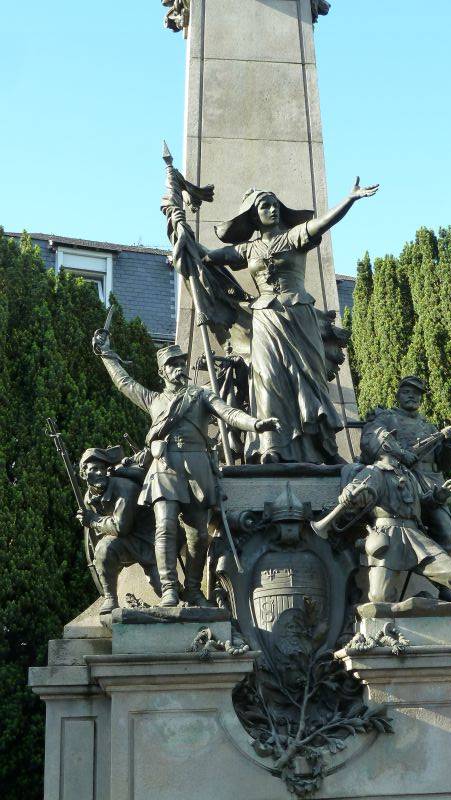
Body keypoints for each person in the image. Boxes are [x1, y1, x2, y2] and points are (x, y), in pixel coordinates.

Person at [200, 177, 378, 464]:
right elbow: (207, 258)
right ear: (254, 216)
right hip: (266, 318)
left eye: (274, 205)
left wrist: (350, 199)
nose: (272, 210)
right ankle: (271, 445)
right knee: (268, 378)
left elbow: (323, 223)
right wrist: (181, 234)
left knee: (309, 378)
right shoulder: (248, 250)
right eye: (265, 206)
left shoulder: (294, 236)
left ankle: (320, 447)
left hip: (298, 315)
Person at [92, 335, 279, 607]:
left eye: (181, 362)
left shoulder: (201, 395)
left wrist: (255, 425)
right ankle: (169, 588)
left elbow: (228, 414)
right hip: (165, 467)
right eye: (171, 364)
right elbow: (124, 383)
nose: (178, 367)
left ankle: (192, 589)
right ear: (161, 371)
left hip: (197, 467)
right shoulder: (153, 399)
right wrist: (107, 354)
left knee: (199, 535)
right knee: (165, 527)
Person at [339, 430, 451, 639]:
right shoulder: (374, 473)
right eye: (392, 438)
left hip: (416, 536)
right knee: (379, 599)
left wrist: (437, 497)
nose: (398, 441)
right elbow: (357, 496)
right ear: (384, 446)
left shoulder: (407, 473)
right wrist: (349, 494)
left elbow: (420, 503)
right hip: (389, 539)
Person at [361, 376, 451, 596]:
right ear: (397, 394)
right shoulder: (386, 418)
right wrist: (401, 455)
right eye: (407, 392)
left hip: (431, 484)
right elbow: (372, 443)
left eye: (417, 394)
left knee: (446, 534)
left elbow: (445, 464)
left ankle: (445, 587)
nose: (412, 397)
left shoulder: (429, 426)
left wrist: (449, 443)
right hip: (400, 482)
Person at [78, 446, 160, 615]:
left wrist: (92, 520)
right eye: (94, 469)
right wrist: (100, 562)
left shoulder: (125, 488)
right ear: (84, 474)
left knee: (162, 588)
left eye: (102, 469)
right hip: (124, 541)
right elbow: (98, 535)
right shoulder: (89, 497)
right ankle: (110, 598)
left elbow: (120, 527)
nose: (100, 473)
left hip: (149, 541)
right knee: (103, 549)